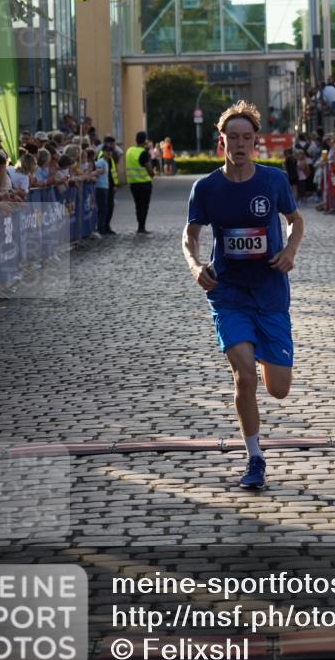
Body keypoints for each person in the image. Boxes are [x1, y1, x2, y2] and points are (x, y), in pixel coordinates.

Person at [182, 100, 304, 490]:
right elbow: (190, 235)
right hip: (228, 292)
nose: (239, 144)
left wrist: (289, 251)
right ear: (222, 142)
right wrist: (195, 265)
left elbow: (295, 221)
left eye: (246, 138)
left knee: (278, 388)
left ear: (255, 142)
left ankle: (270, 358)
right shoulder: (206, 188)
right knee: (244, 378)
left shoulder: (273, 181)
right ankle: (255, 459)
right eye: (232, 137)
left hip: (269, 292)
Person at [125, 130, 154, 234]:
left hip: (133, 183)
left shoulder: (129, 151)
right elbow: (150, 171)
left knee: (137, 205)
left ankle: (139, 225)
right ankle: (142, 226)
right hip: (144, 183)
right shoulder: (143, 153)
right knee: (144, 205)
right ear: (145, 140)